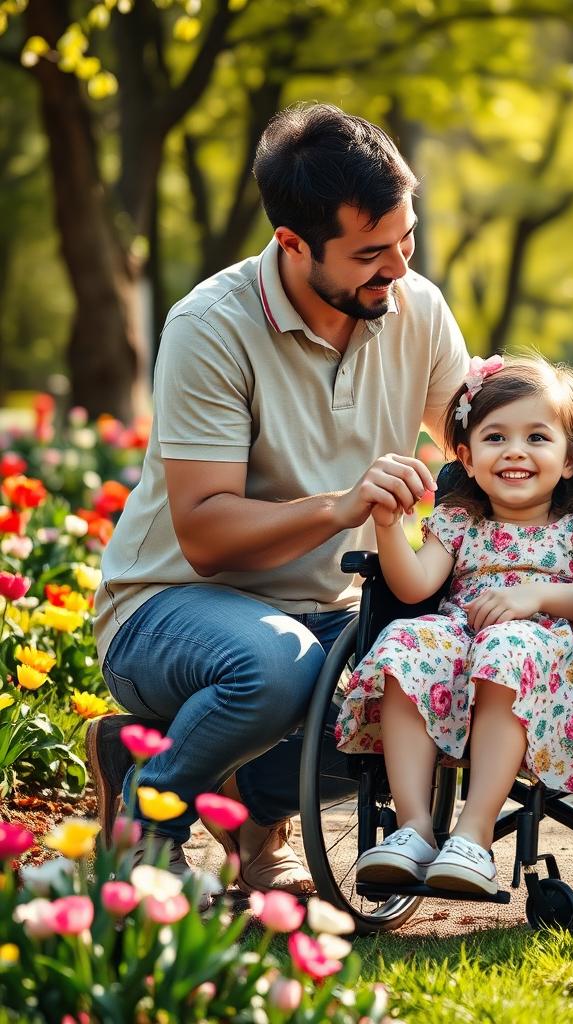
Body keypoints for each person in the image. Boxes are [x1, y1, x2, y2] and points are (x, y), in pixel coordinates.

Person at [87, 103, 469, 896]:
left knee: (433, 682)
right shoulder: (211, 326)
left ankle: (229, 795)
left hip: (323, 616)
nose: (397, 268)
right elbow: (204, 532)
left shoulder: (415, 307)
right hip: (172, 604)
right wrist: (340, 507)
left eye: (405, 239)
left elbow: (473, 434)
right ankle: (145, 828)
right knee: (275, 668)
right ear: (293, 244)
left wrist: (561, 434)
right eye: (371, 253)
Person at [336, 354, 573, 895]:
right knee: (404, 642)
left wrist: (538, 594)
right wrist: (387, 526)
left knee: (508, 647)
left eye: (538, 437)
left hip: (546, 664)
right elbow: (415, 587)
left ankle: (474, 834)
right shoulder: (459, 521)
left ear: (569, 460)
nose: (515, 451)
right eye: (496, 438)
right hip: (460, 651)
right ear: (467, 459)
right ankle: (414, 827)